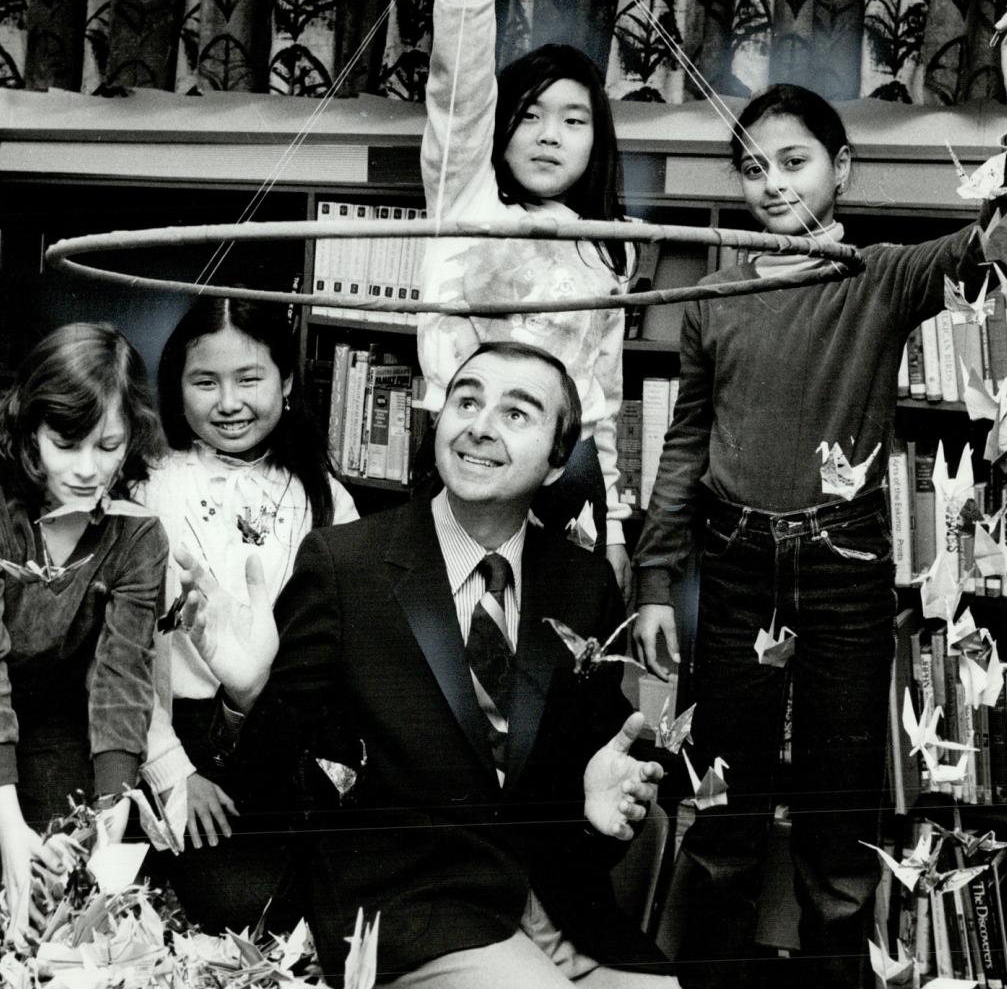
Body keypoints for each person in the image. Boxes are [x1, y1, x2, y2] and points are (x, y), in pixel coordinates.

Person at [631, 5, 1007, 988]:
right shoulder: (712, 298)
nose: (772, 183)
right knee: (724, 802)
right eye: (753, 167)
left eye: (794, 161)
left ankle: (833, 963)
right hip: (735, 565)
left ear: (841, 170)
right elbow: (685, 442)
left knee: (838, 798)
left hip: (845, 565)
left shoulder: (880, 277)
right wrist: (656, 581)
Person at [182, 340, 670, 986]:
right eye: (466, 400)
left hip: (556, 905)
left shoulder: (585, 586)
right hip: (411, 907)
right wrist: (247, 695)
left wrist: (599, 812)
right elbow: (269, 791)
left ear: (557, 463)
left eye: (517, 413)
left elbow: (599, 777)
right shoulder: (343, 564)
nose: (480, 424)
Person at [417, 0, 634, 592]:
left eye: (574, 121)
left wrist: (618, 526)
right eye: (530, 115)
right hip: (467, 442)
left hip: (566, 470)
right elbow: (459, 81)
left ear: (597, 141)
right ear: (501, 126)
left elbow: (604, 394)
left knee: (563, 650)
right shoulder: (466, 196)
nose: (549, 136)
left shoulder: (610, 249)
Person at [133, 295, 359, 932]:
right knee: (227, 912)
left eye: (249, 379)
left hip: (285, 734)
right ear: (176, 388)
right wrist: (172, 771)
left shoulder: (327, 499)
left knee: (310, 911)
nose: (228, 402)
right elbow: (118, 654)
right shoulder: (146, 489)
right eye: (205, 382)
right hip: (170, 736)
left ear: (286, 383)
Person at [0, 323, 166, 937]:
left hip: (60, 721)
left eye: (109, 445)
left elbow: (123, 681)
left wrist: (113, 817)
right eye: (66, 444)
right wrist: (9, 828)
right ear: (28, 431)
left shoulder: (140, 535)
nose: (90, 470)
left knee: (65, 899)